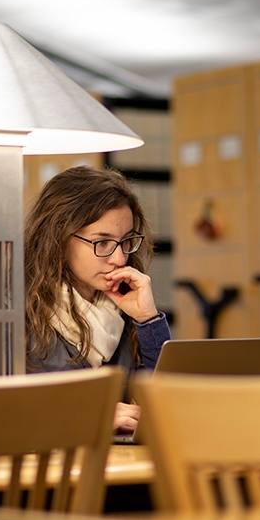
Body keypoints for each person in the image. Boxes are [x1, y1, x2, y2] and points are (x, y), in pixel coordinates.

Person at [24, 166, 171, 434]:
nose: (119, 258)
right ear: (57, 238)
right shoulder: (12, 312)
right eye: (101, 242)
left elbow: (164, 403)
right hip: (43, 469)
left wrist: (148, 321)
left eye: (126, 241)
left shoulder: (124, 304)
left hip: (115, 464)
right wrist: (89, 414)